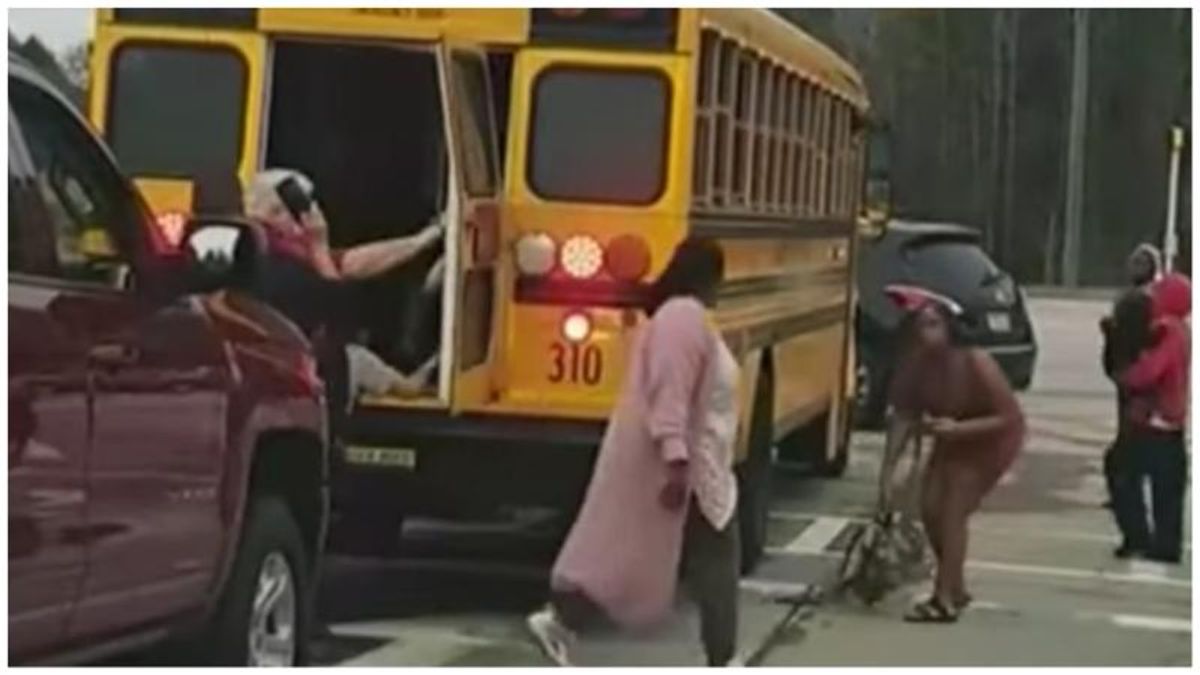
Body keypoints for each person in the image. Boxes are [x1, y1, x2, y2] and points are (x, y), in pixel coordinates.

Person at [526, 237, 742, 667]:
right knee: (715, 562)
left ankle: (562, 619)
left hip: (701, 464)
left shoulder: (683, 318)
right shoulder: (683, 318)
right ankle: (723, 660)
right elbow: (670, 391)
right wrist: (676, 458)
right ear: (707, 277)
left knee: (628, 555)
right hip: (692, 470)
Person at [242, 168, 443, 415]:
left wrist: (424, 239)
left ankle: (406, 385)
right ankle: (409, 386)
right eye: (306, 205)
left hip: (270, 373)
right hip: (297, 382)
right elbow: (342, 317)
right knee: (354, 357)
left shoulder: (263, 248)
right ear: (278, 212)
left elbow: (350, 262)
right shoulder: (280, 267)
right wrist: (319, 245)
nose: (314, 212)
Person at [879, 285, 1025, 624]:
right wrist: (887, 474)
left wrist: (959, 430)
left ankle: (943, 597)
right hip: (951, 436)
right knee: (929, 508)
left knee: (952, 510)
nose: (925, 333)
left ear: (949, 328)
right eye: (919, 326)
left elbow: (1008, 417)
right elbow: (902, 420)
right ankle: (954, 585)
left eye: (933, 324)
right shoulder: (914, 367)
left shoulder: (975, 361)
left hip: (991, 439)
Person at [1113, 272, 1190, 564]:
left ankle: (1138, 537)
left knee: (1123, 474)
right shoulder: (1182, 329)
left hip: (1153, 422)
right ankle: (1165, 545)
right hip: (1172, 423)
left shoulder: (1166, 330)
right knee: (1168, 491)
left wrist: (1127, 377)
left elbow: (1150, 372)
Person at [1100, 244, 1160, 534]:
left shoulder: (1142, 300)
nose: (1133, 266)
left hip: (1136, 377)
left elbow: (1136, 338)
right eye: (1132, 261)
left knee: (1130, 441)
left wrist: (1113, 331)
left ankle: (1129, 497)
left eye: (1141, 262)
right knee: (1126, 435)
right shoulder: (1130, 298)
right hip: (1124, 375)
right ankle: (1125, 494)